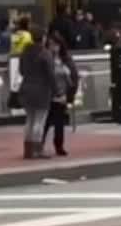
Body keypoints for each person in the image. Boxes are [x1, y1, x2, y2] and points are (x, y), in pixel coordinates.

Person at [18, 28, 55, 160]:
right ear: (43, 38)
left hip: (26, 88)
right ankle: (37, 149)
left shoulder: (25, 52)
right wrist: (56, 90)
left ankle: (27, 150)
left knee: (29, 119)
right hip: (42, 90)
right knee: (39, 121)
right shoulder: (45, 54)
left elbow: (21, 71)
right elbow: (50, 74)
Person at [42, 33, 79, 157]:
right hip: (49, 94)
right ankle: (40, 144)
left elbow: (73, 77)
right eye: (50, 45)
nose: (53, 47)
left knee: (59, 122)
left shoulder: (66, 59)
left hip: (62, 94)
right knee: (46, 121)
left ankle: (59, 145)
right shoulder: (46, 58)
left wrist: (69, 95)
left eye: (55, 44)